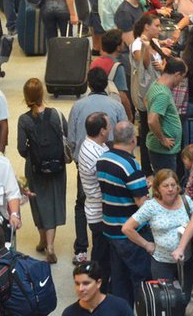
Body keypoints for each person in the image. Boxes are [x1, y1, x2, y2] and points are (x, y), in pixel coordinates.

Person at [96, 120, 151, 304]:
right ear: (134, 140)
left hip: (110, 228)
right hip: (130, 233)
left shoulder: (104, 158)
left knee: (119, 280)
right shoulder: (132, 165)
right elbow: (141, 203)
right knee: (139, 278)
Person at [16, 79, 67, 264]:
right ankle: (51, 245)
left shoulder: (24, 119)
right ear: (42, 93)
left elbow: (21, 148)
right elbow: (66, 137)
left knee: (38, 202)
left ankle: (42, 239)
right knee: (53, 201)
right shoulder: (56, 115)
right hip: (57, 166)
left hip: (35, 167)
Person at [121, 168, 193, 296]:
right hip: (162, 263)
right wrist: (147, 245)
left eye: (173, 185)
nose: (170, 189)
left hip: (186, 262)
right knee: (166, 300)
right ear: (158, 189)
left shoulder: (186, 201)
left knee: (185, 297)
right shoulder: (151, 206)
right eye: (165, 186)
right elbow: (127, 228)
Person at [77, 112, 112, 285]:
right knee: (101, 259)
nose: (110, 128)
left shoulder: (91, 144)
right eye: (108, 125)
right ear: (102, 131)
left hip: (94, 208)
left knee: (101, 254)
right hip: (99, 213)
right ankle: (97, 289)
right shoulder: (96, 155)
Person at [62, 261, 134, 316]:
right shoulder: (69, 313)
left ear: (98, 283)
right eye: (77, 284)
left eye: (86, 283)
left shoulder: (120, 308)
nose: (80, 289)